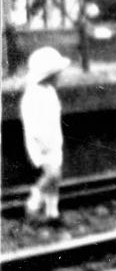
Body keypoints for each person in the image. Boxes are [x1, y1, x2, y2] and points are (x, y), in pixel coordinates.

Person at [20, 46, 69, 226]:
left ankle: (52, 213)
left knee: (56, 178)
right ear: (48, 75)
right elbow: (33, 123)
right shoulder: (34, 94)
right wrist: (43, 142)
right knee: (52, 175)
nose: (59, 77)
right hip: (42, 142)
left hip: (54, 140)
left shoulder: (49, 91)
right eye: (56, 74)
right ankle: (32, 205)